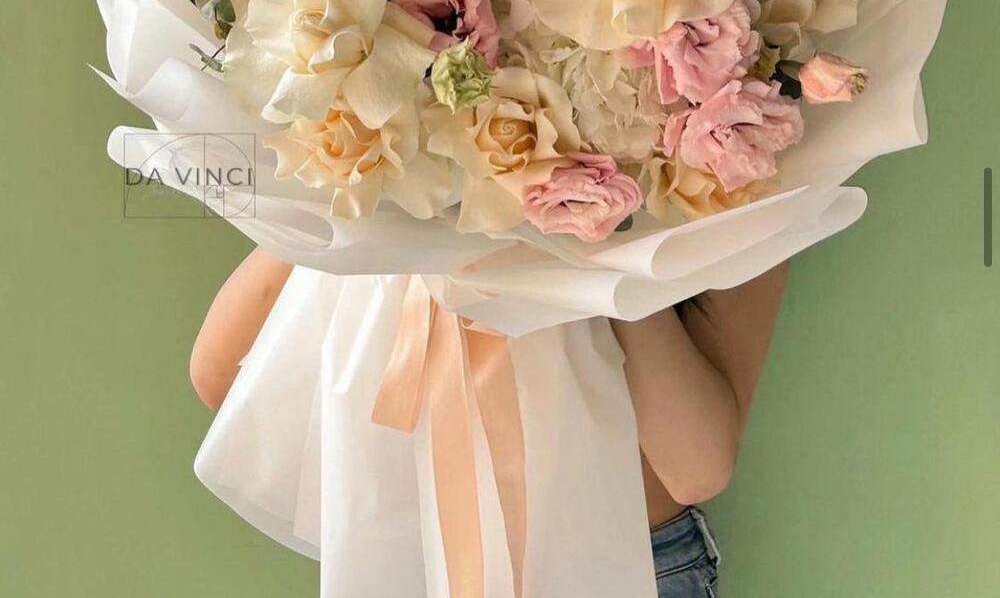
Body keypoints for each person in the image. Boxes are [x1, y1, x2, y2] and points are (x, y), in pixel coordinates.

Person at [191, 248, 787, 598]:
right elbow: (221, 377)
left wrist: (587, 234)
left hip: (625, 563)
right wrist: (362, 182)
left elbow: (695, 468)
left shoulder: (729, 129)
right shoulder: (396, 138)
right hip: (420, 560)